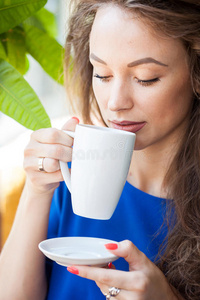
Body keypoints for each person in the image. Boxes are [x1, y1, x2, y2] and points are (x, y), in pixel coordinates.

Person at [0, 0, 199, 299]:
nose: (115, 103)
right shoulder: (71, 179)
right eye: (102, 74)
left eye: (146, 77)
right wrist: (37, 191)